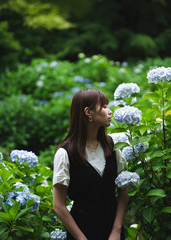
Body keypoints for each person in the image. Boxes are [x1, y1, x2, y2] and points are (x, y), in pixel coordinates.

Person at [53, 89, 129, 240]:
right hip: (82, 228)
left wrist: (117, 230)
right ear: (88, 112)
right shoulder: (65, 153)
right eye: (104, 106)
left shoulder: (113, 146)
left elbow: (123, 191)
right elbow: (59, 205)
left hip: (112, 226)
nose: (110, 111)